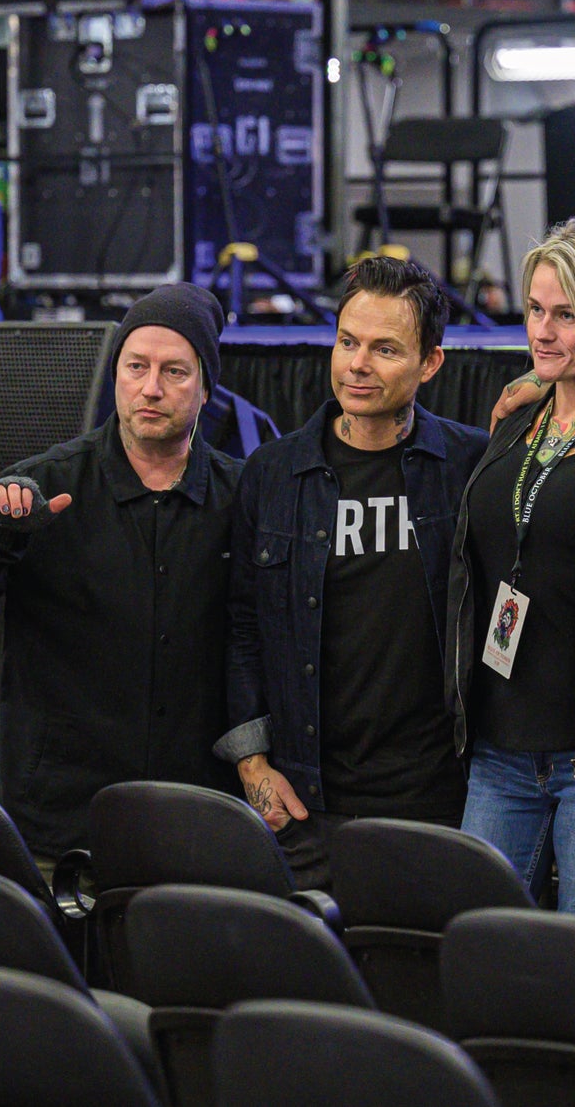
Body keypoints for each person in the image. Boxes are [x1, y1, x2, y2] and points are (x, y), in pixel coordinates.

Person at [0, 283, 241, 863]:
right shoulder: (45, 485)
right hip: (62, 821)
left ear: (206, 388)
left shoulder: (242, 497)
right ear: (115, 374)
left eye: (175, 372)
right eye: (136, 366)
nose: (151, 388)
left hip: (197, 815)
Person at [218, 256, 487, 889]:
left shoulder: (470, 464)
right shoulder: (274, 474)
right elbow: (242, 627)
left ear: (430, 363)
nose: (357, 364)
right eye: (347, 342)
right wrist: (254, 768)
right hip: (310, 802)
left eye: (385, 349)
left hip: (439, 801)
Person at [447, 219, 575, 912]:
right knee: (483, 948)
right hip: (498, 745)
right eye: (535, 309)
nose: (542, 329)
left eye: (565, 314)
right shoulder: (515, 421)